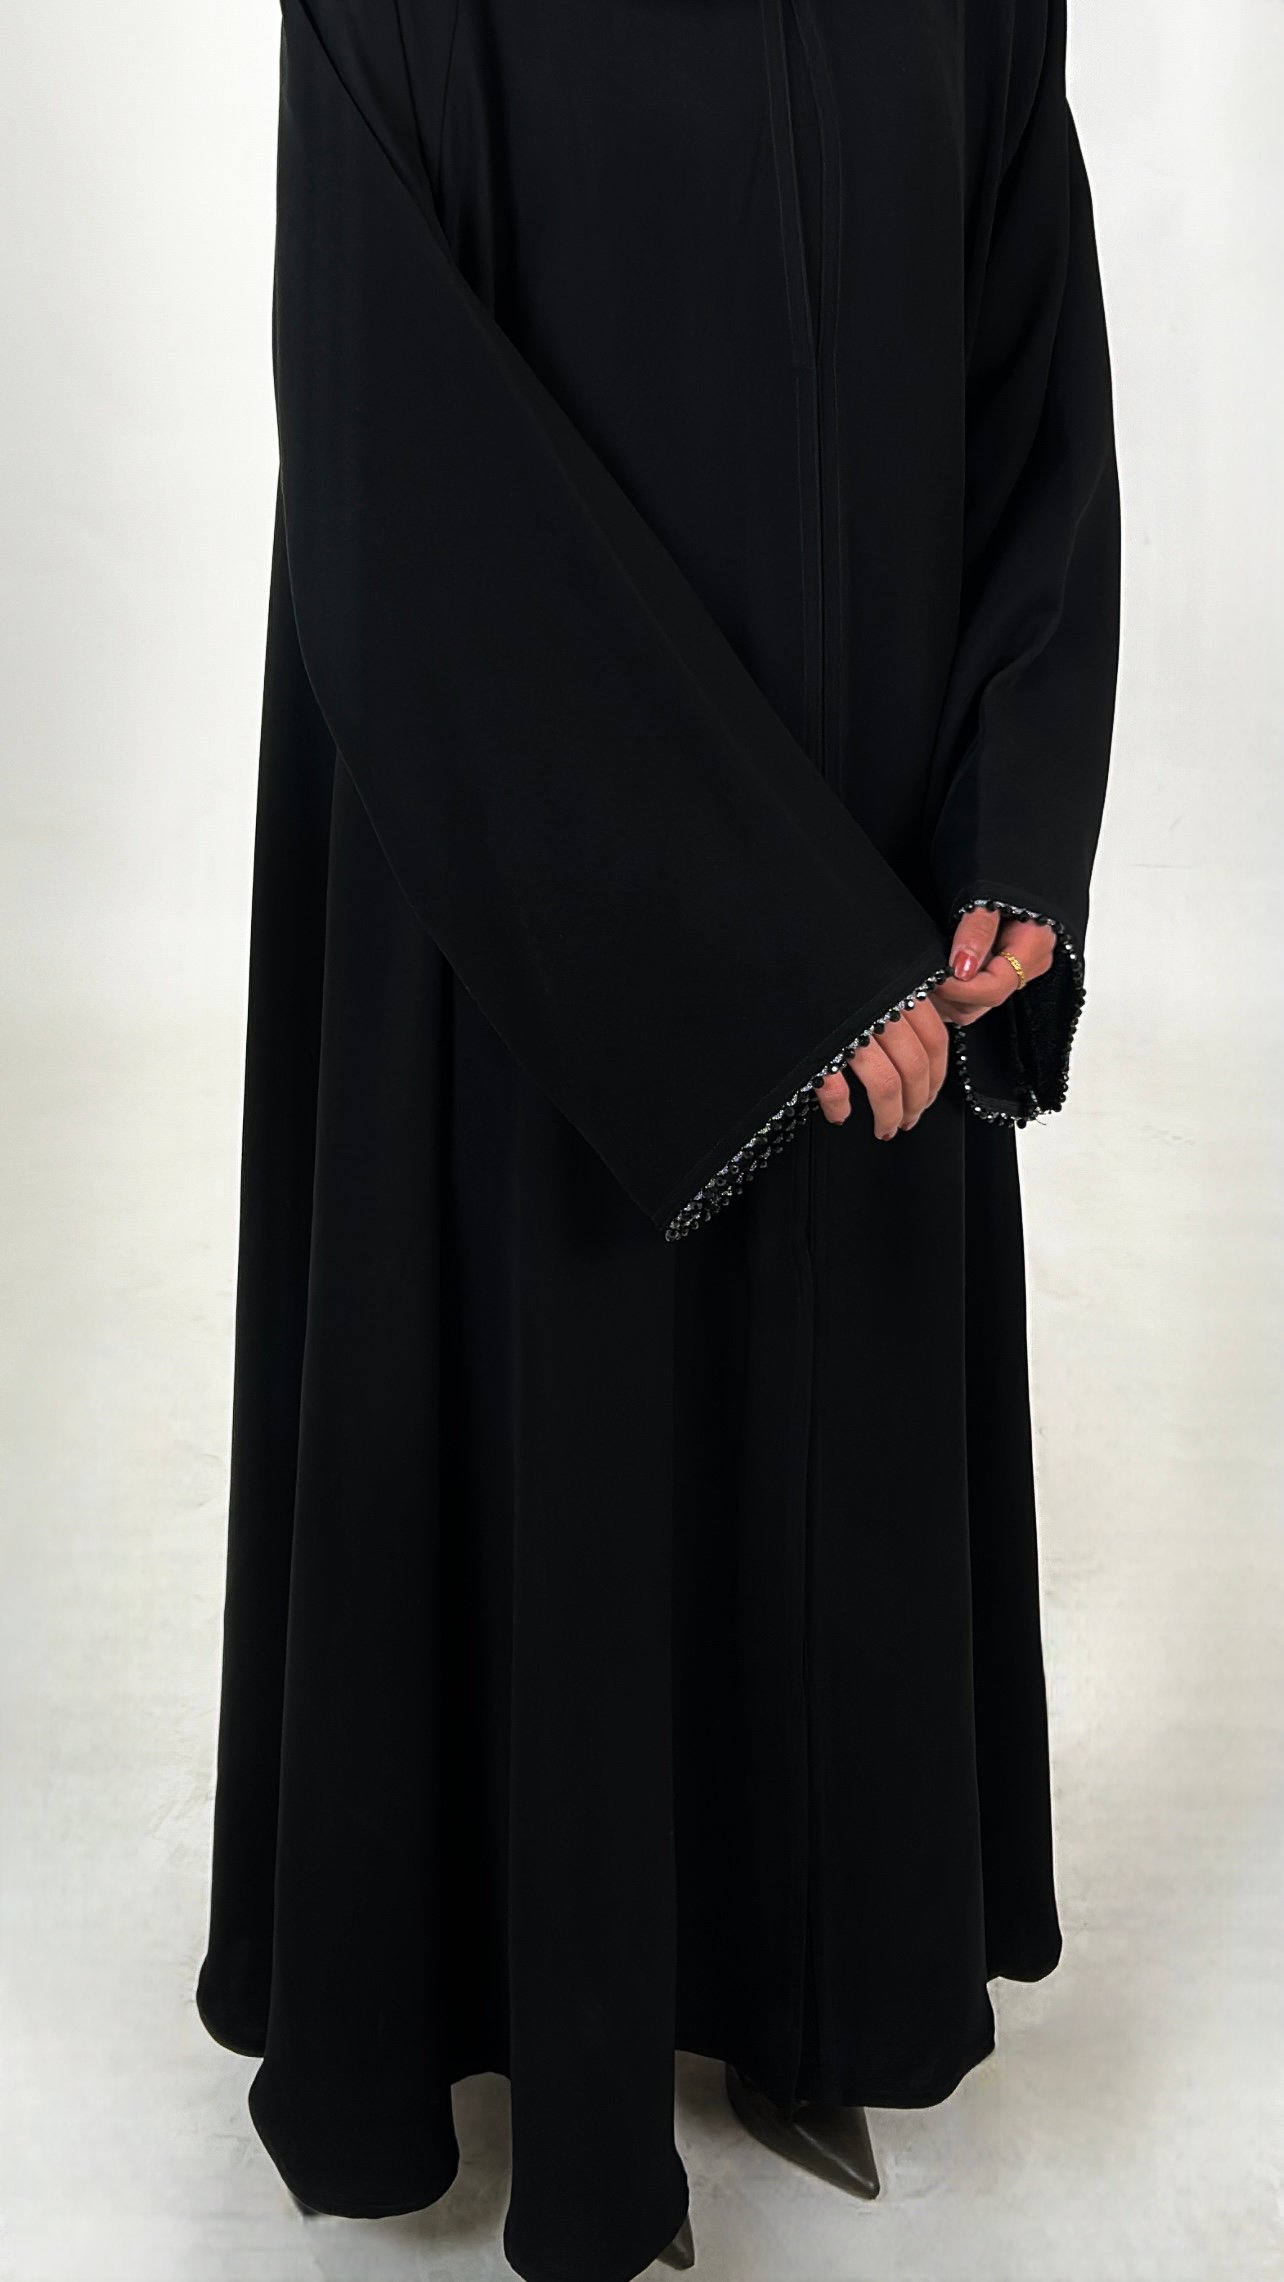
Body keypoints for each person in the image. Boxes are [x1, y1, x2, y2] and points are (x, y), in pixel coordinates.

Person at [194, 3, 1122, 2279]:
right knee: (565, 1380)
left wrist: (1014, 805)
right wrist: (754, 943)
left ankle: (802, 1967)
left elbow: (1030, 338)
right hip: (518, 865)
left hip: (885, 866)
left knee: (819, 1406)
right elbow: (396, 438)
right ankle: (549, 2016)